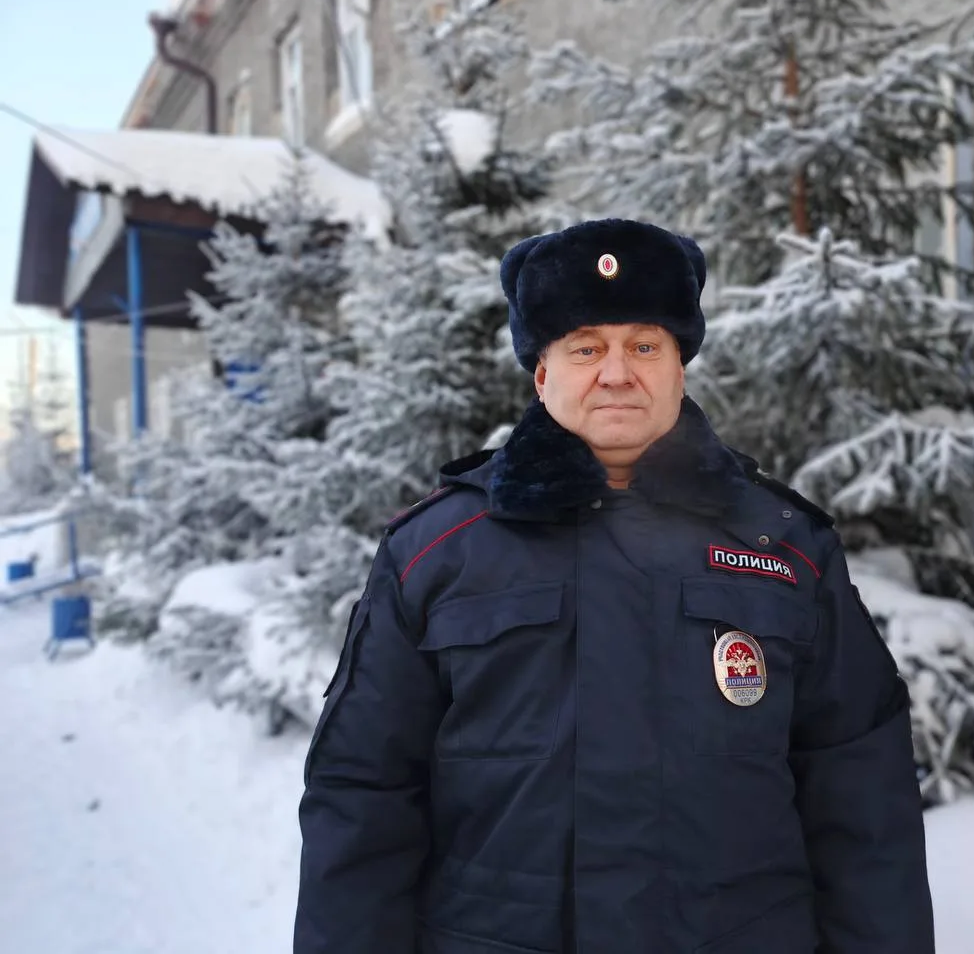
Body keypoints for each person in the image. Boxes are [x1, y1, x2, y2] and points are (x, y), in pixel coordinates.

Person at [293, 218, 935, 954]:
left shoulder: (787, 547)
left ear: (679, 366)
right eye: (586, 348)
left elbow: (865, 804)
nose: (618, 372)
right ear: (542, 373)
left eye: (645, 346)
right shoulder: (435, 553)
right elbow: (363, 798)